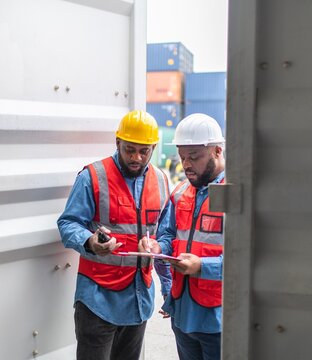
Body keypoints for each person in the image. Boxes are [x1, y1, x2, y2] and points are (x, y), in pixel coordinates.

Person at [57, 110, 172, 360]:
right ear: (117, 142)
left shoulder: (162, 181)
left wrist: (167, 282)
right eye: (129, 149)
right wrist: (90, 241)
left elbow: (166, 236)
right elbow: (68, 223)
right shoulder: (93, 177)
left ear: (153, 147)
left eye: (144, 151)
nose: (136, 157)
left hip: (138, 300)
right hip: (98, 301)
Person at [140, 113, 225, 360]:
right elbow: (168, 235)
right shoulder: (180, 194)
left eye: (194, 157)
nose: (186, 164)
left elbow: (248, 259)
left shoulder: (235, 196)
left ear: (217, 151)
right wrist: (157, 247)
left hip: (218, 317)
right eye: (183, 157)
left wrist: (202, 266)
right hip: (183, 312)